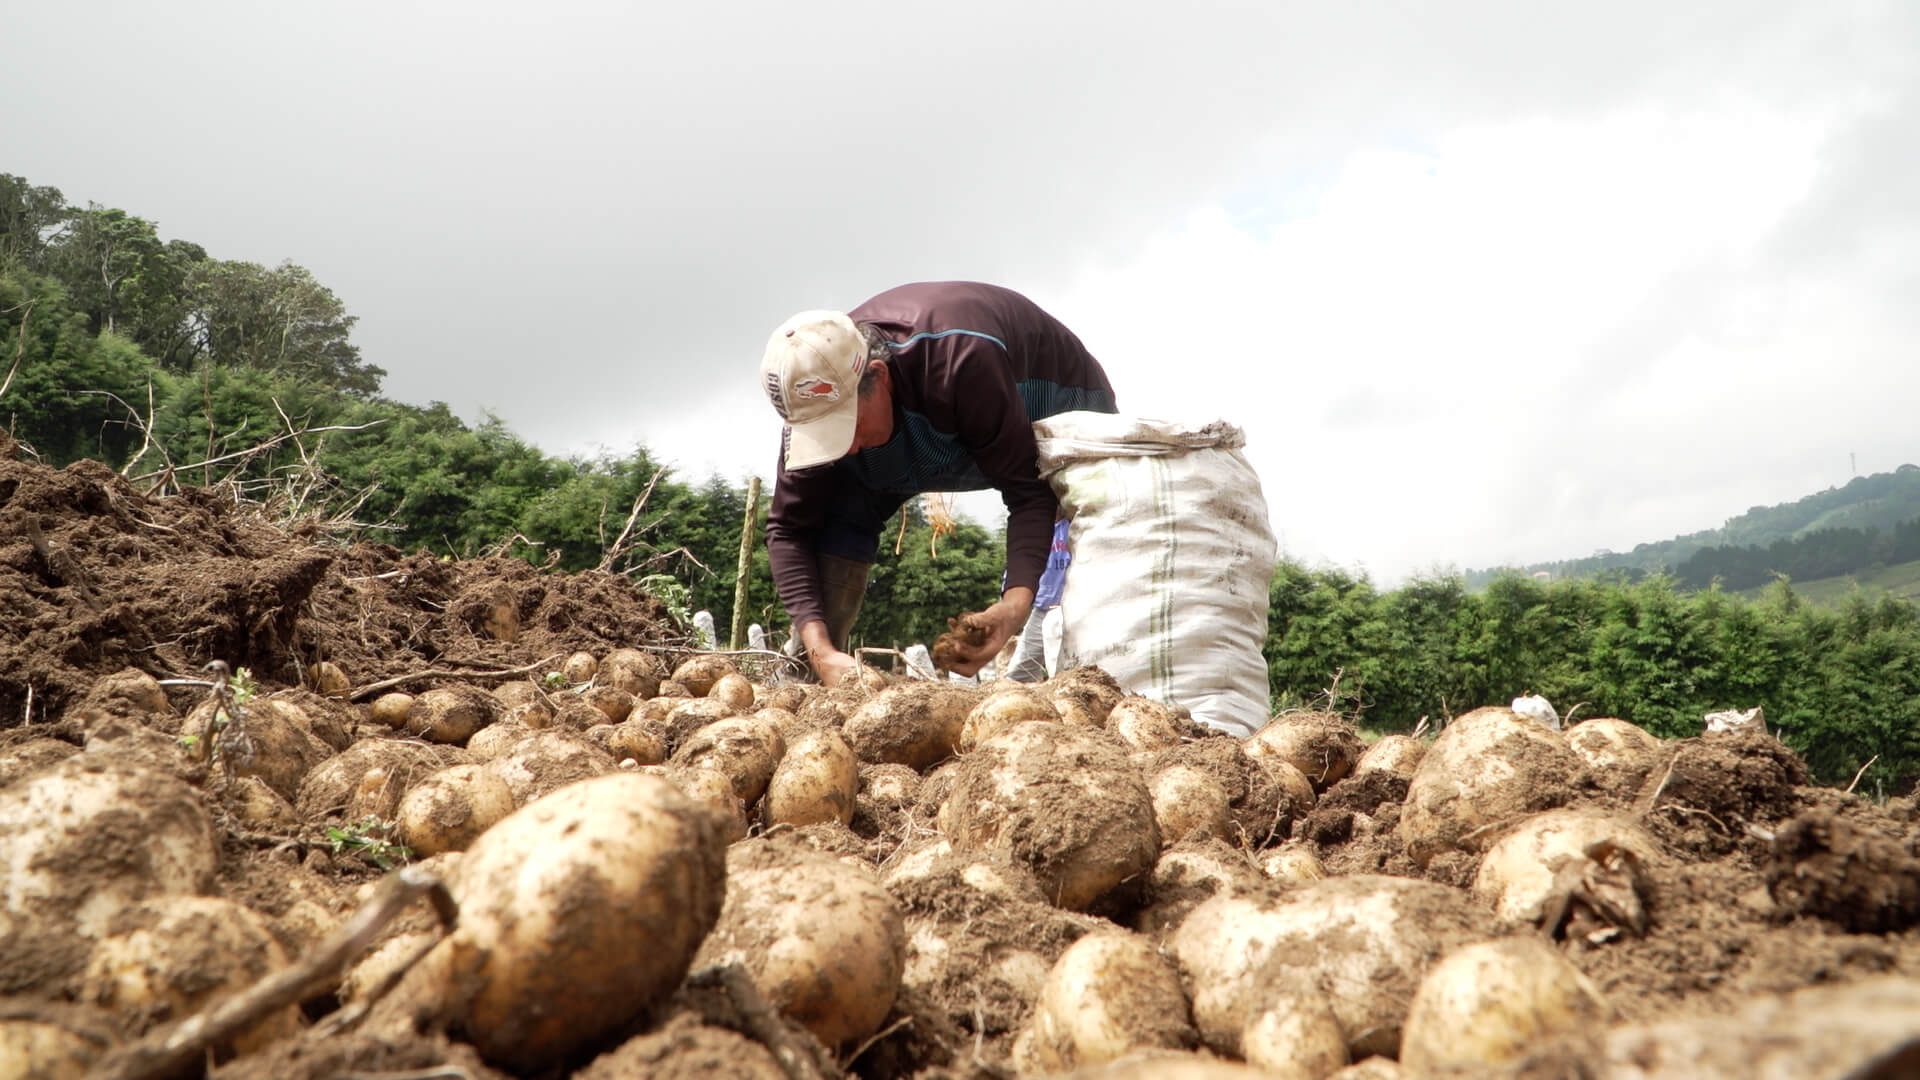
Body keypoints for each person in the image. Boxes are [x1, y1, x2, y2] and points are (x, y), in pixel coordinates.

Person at [759, 281, 1117, 687]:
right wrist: (819, 648)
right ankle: (817, 676)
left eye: (848, 427)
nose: (848, 447)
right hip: (925, 428)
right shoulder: (814, 404)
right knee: (837, 508)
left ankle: (1103, 681)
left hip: (1045, 405)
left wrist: (1012, 607)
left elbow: (1027, 489)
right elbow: (788, 529)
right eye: (826, 435)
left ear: (877, 376)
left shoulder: (958, 359)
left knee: (1090, 532)